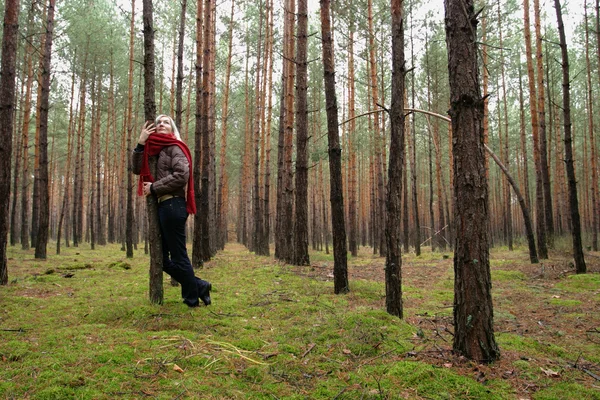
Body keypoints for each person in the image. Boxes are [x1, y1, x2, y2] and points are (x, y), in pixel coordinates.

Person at [132, 114, 212, 307]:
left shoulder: (175, 147)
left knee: (178, 256)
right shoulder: (154, 149)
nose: (161, 124)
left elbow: (182, 175)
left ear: (172, 128)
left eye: (166, 122)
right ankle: (199, 286)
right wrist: (140, 144)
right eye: (158, 122)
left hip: (173, 205)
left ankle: (192, 299)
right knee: (162, 258)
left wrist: (153, 187)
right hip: (163, 206)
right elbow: (136, 169)